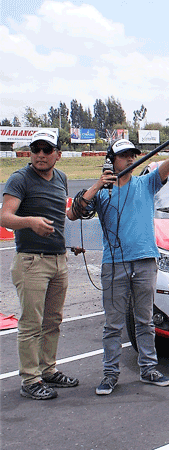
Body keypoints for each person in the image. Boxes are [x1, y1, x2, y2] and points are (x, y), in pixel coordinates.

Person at [69, 119, 169, 395]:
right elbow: (73, 213)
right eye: (123, 155)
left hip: (145, 261)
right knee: (113, 324)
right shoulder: (101, 192)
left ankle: (148, 368)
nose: (130, 159)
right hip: (114, 264)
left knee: (145, 320)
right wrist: (98, 184)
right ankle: (109, 374)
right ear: (111, 160)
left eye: (132, 154)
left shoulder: (147, 183)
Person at [2, 129, 79, 400]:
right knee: (31, 323)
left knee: (53, 320)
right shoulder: (20, 178)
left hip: (58, 259)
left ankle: (48, 370)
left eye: (47, 150)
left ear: (58, 154)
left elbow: (61, 215)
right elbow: (4, 217)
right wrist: (30, 222)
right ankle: (30, 379)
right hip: (31, 261)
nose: (41, 155)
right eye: (36, 149)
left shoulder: (61, 178)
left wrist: (72, 241)